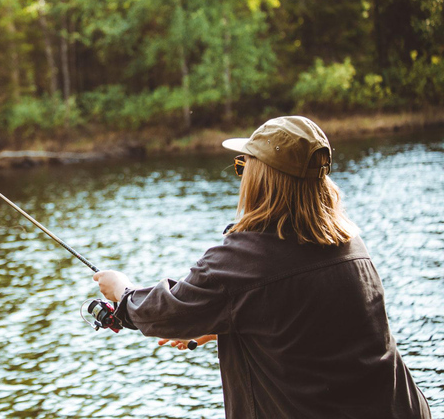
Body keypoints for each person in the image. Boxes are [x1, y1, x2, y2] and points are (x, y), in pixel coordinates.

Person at [94, 116, 431, 419]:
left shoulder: (244, 259)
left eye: (244, 166)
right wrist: (230, 322)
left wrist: (123, 291)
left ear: (261, 178)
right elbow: (315, 323)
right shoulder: (350, 243)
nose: (241, 175)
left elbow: (162, 312)